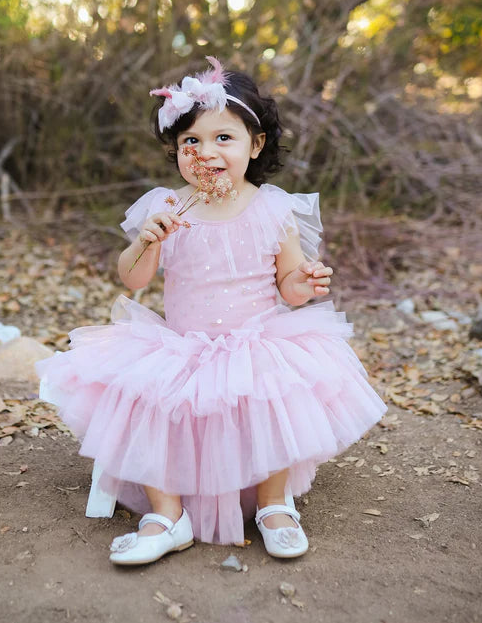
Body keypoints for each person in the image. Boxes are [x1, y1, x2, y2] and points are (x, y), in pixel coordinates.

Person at [37, 57, 386, 565]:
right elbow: (131, 278)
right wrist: (148, 243)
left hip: (254, 341)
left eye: (224, 138)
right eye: (191, 142)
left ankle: (273, 503)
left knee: (274, 390)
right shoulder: (169, 207)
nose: (206, 153)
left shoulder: (272, 208)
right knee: (148, 396)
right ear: (176, 150)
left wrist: (305, 281)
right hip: (183, 345)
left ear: (256, 144)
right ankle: (166, 515)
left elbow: (288, 285)